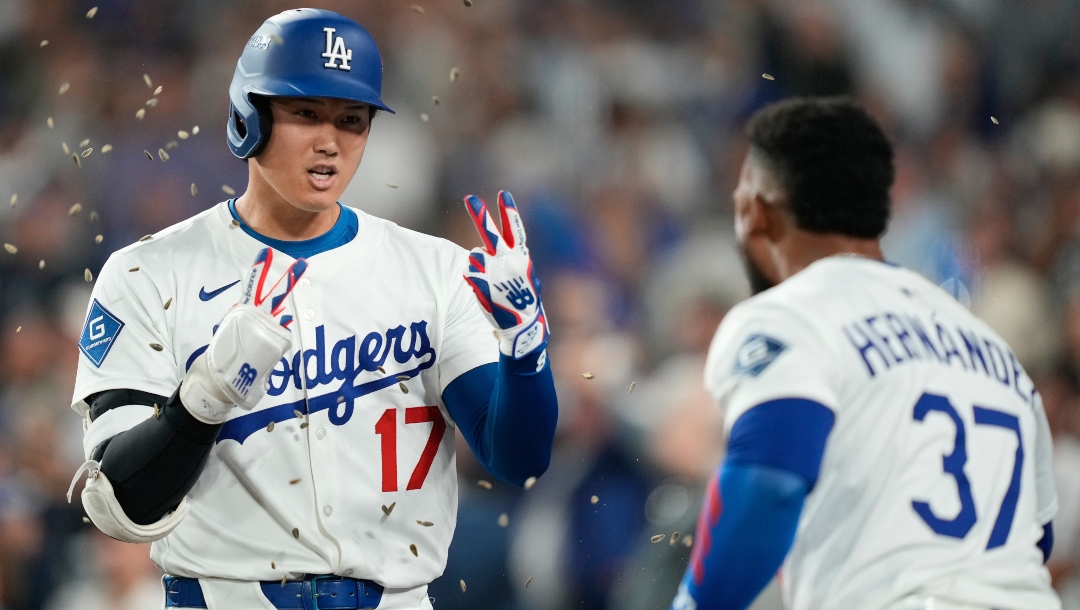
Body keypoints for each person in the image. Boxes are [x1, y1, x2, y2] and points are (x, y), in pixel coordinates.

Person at [66, 8, 558, 610]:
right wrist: (207, 396)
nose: (330, 140)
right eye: (305, 113)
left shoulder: (434, 270)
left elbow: (517, 459)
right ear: (249, 117)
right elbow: (121, 502)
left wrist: (525, 350)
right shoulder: (149, 271)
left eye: (351, 120)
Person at [671, 97, 1059, 610]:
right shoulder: (991, 347)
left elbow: (769, 481)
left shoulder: (786, 314)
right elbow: (1037, 535)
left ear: (756, 210)